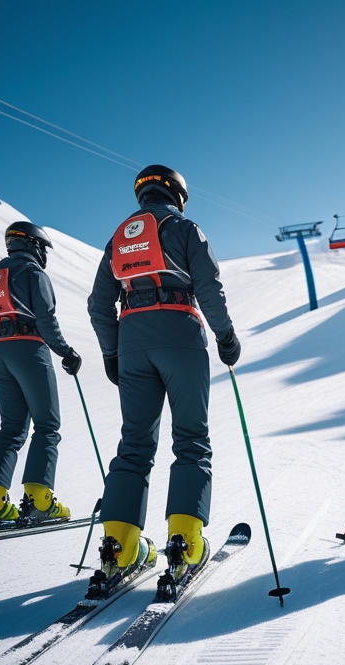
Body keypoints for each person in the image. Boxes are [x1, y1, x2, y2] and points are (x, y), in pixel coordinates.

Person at [87, 164, 240, 587]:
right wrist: (226, 337)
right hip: (180, 334)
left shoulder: (118, 240)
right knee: (191, 439)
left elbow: (99, 304)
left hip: (133, 340)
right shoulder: (185, 228)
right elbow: (209, 287)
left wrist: (112, 351)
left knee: (134, 445)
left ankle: (118, 551)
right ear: (177, 194)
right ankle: (185, 545)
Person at [0, 222, 81, 524]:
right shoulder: (34, 274)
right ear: (35, 245)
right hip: (29, 348)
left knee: (10, 428)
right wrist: (67, 353)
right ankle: (39, 501)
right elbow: (46, 319)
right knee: (47, 425)